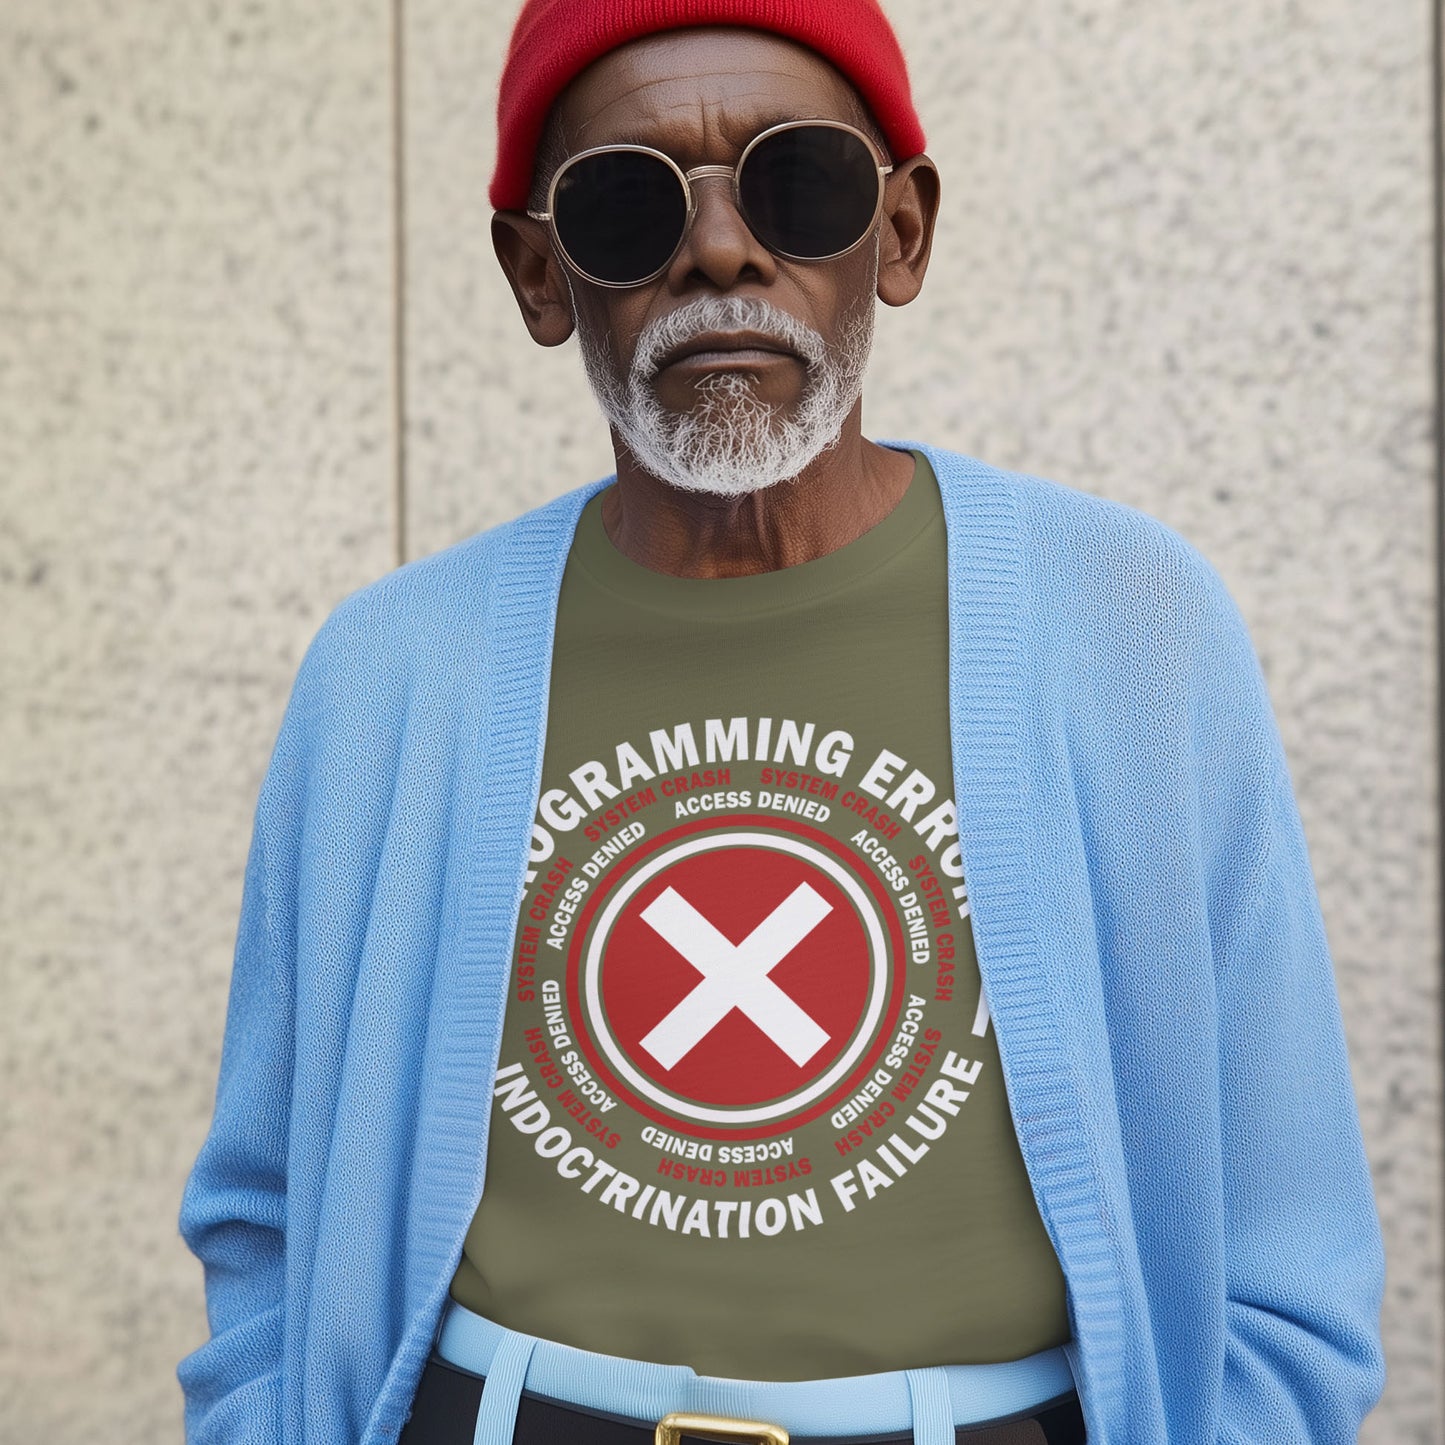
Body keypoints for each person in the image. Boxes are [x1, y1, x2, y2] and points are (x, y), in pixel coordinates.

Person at [177, 1, 1387, 1442]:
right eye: (626, 204)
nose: (719, 251)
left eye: (796, 183)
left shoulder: (1130, 625)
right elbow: (267, 1210)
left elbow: (1284, 1238)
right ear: (539, 275)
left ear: (901, 234)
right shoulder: (391, 673)